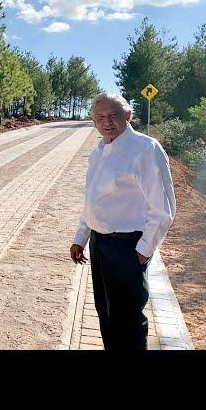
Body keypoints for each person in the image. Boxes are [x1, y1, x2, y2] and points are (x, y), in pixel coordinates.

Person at [70, 92, 176, 350]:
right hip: (99, 244)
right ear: (94, 122)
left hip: (127, 246)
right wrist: (80, 238)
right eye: (100, 117)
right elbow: (91, 201)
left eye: (113, 115)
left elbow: (162, 208)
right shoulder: (98, 152)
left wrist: (141, 253)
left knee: (127, 318)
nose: (107, 122)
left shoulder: (145, 149)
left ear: (128, 116)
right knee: (106, 314)